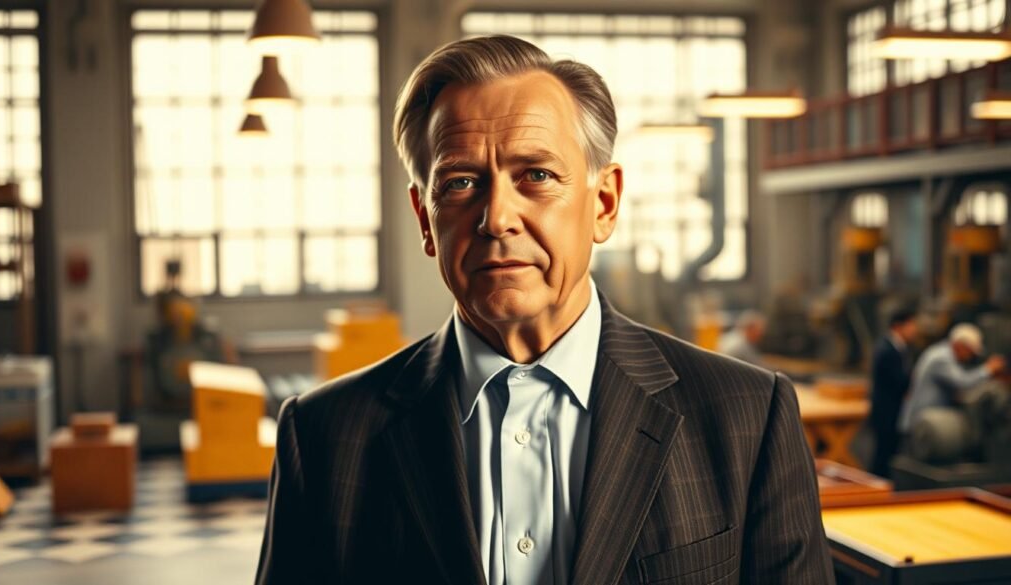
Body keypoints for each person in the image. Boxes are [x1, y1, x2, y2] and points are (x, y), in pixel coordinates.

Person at [256, 35, 833, 585]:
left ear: (603, 204)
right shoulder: (325, 436)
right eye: (460, 183)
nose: (497, 218)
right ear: (424, 218)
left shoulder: (747, 418)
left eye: (536, 175)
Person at [898, 323, 1006, 436]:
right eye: (970, 352)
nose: (970, 357)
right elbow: (963, 382)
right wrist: (988, 369)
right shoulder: (942, 358)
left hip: (927, 424)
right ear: (960, 346)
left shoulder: (944, 354)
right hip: (921, 425)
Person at [868, 308, 918, 478]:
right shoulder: (887, 349)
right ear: (899, 326)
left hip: (891, 409)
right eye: (911, 325)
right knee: (883, 453)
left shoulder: (897, 347)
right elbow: (897, 380)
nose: (915, 330)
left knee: (888, 452)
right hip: (886, 411)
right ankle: (877, 488)